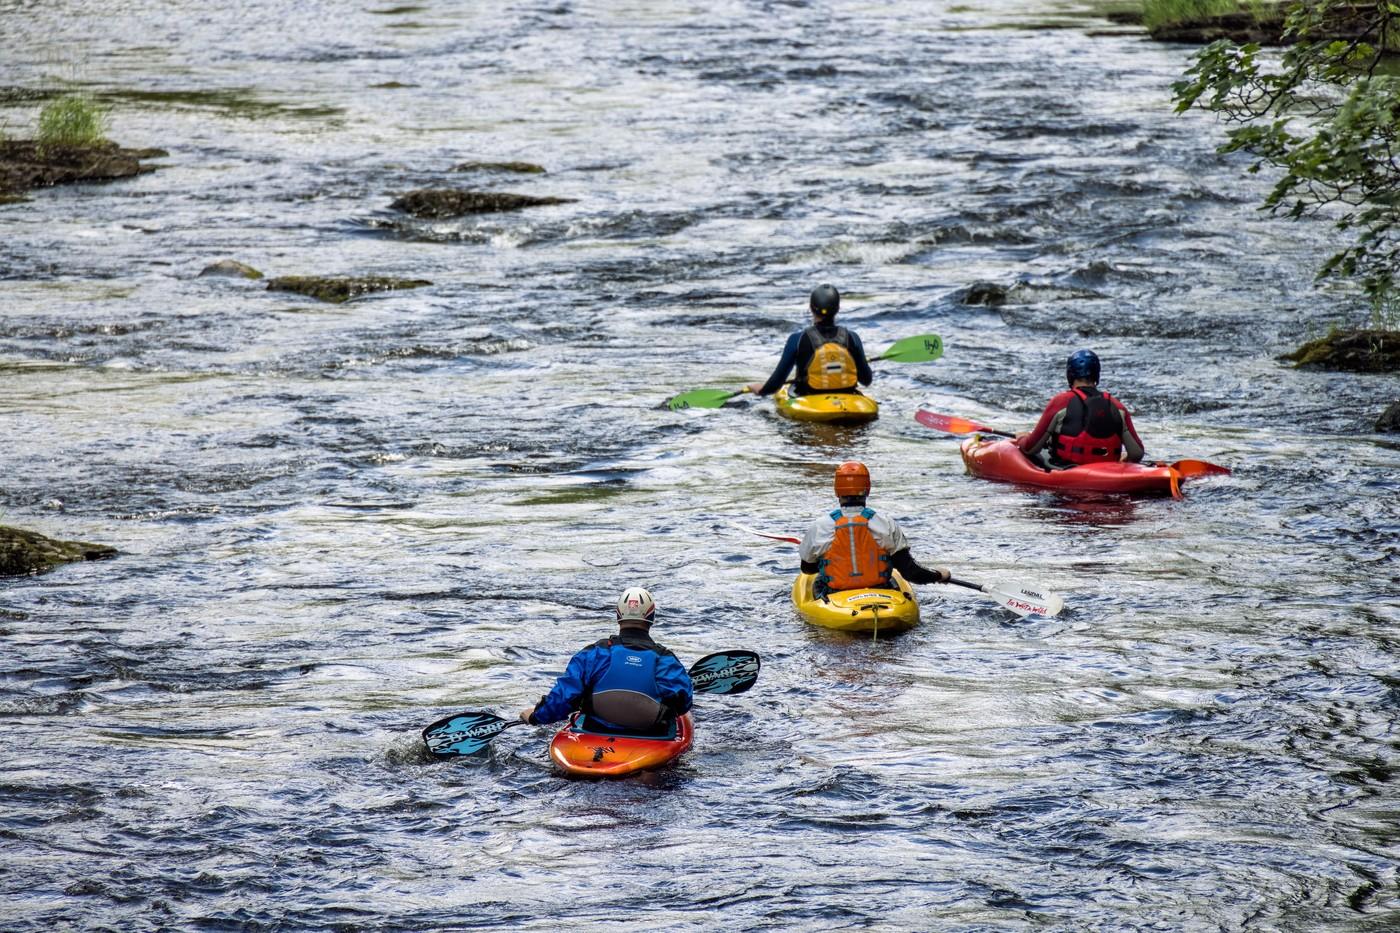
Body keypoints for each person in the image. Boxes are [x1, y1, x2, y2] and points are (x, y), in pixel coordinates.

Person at [518, 586, 694, 735]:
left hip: (595, 731)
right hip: (648, 736)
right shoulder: (665, 660)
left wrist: (536, 716)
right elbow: (683, 703)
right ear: (651, 618)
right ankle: (647, 776)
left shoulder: (594, 654)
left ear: (618, 615)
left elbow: (564, 697)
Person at [800, 461, 951, 597]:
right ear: (867, 489)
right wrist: (938, 575)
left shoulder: (819, 526)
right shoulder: (886, 523)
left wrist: (828, 562)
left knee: (818, 578)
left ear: (837, 491)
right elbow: (911, 572)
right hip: (880, 591)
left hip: (837, 595)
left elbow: (807, 569)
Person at [1015, 349, 1145, 467]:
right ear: (1096, 375)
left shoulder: (1061, 402)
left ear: (1070, 375)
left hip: (1067, 471)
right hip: (1108, 470)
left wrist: (1021, 438)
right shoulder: (1117, 406)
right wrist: (1124, 462)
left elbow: (1030, 448)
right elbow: (1137, 453)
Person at [746, 283, 874, 397]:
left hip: (810, 397)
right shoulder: (853, 337)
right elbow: (866, 380)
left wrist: (761, 390)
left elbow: (776, 384)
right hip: (847, 396)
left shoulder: (797, 339)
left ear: (811, 308)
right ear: (838, 309)